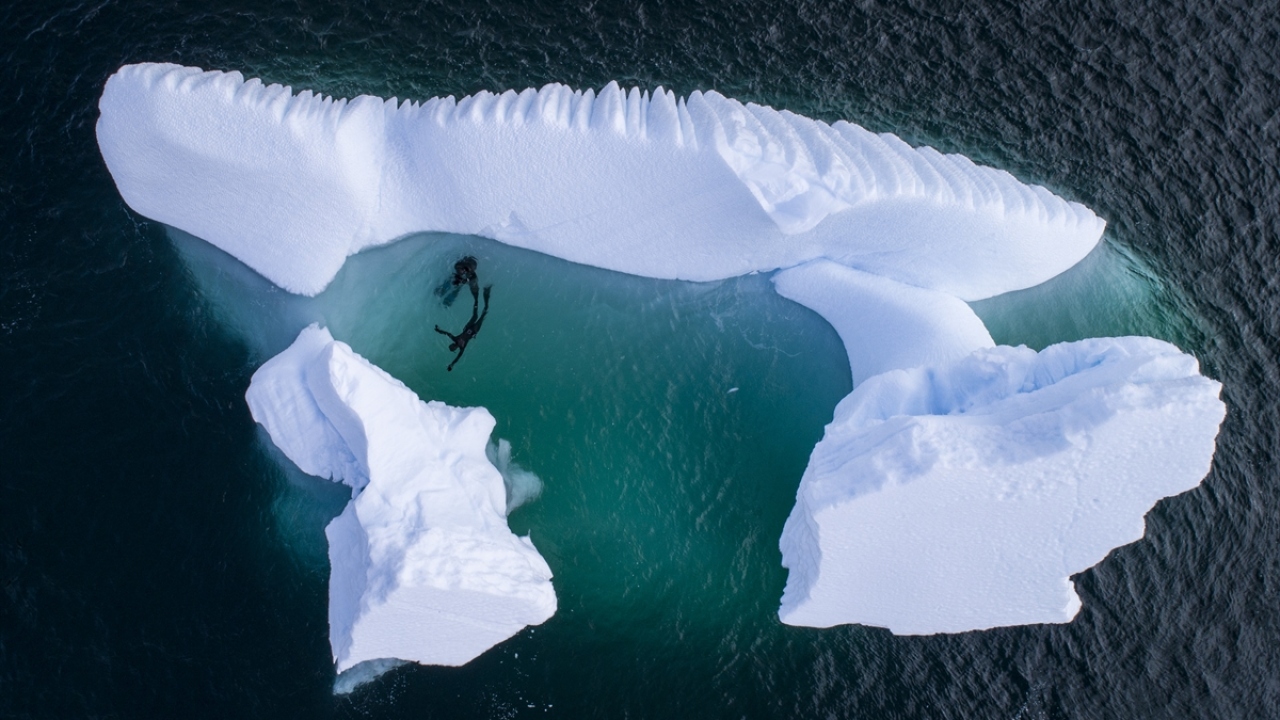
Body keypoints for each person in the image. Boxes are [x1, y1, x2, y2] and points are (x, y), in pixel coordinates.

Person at [435, 285, 492, 371]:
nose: (453, 346)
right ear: (455, 349)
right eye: (453, 347)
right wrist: (451, 365)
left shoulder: (455, 339)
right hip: (473, 331)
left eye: (451, 346)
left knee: (475, 315)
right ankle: (486, 294)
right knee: (483, 314)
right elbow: (458, 358)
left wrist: (439, 330)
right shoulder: (462, 348)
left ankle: (476, 297)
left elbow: (447, 333)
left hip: (467, 328)